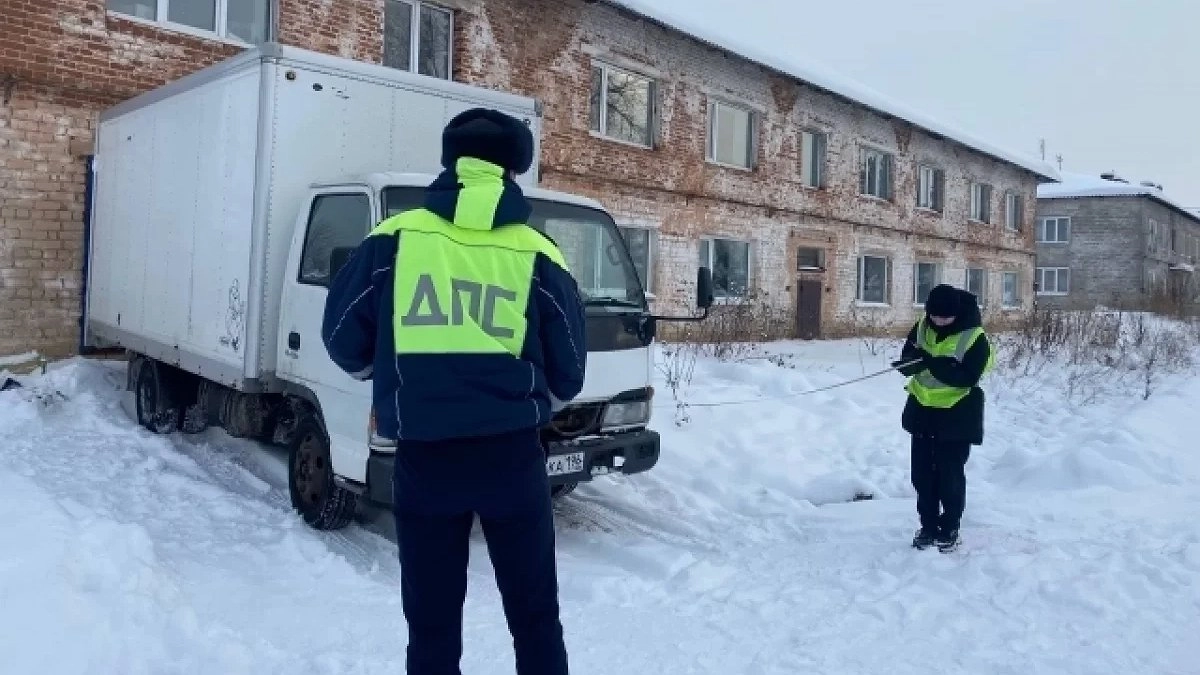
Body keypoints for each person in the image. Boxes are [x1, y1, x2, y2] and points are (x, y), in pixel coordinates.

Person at [321, 108, 587, 675]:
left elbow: (342, 337)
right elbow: (569, 374)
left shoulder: (393, 239)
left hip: (425, 459)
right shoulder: (540, 252)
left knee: (432, 624)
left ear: (451, 162)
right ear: (514, 171)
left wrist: (386, 375)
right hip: (513, 460)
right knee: (535, 616)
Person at [892, 284, 994, 553]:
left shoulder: (974, 337)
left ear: (956, 314)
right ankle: (927, 526)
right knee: (922, 476)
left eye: (944, 317)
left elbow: (968, 377)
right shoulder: (923, 325)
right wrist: (908, 365)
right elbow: (910, 355)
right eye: (933, 315)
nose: (937, 321)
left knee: (949, 476)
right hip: (922, 412)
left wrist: (932, 363)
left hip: (957, 415)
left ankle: (949, 528)